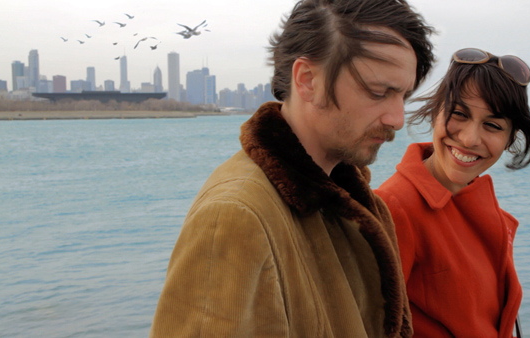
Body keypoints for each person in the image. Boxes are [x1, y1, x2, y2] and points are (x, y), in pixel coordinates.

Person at [149, 0, 434, 337]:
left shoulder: (350, 203)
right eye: (377, 92)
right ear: (307, 79)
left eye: (403, 96)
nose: (397, 119)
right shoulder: (234, 217)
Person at [375, 47, 530, 338]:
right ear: (435, 112)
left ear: (509, 140)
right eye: (459, 114)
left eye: (492, 125)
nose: (469, 138)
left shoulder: (480, 208)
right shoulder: (394, 206)